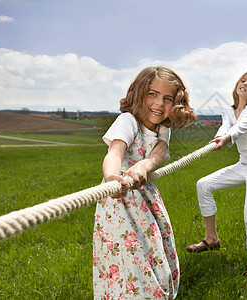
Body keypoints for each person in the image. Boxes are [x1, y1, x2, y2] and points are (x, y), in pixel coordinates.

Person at [93, 66, 196, 299]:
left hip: (146, 198)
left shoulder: (162, 128)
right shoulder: (127, 121)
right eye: (152, 94)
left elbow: (160, 153)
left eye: (167, 98)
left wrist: (144, 166)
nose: (159, 104)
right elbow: (115, 152)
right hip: (119, 202)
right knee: (129, 259)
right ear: (138, 93)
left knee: (156, 252)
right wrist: (111, 177)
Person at [186, 70, 247, 288]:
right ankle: (211, 240)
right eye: (243, 80)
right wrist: (220, 136)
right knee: (203, 185)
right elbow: (226, 126)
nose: (245, 84)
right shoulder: (229, 110)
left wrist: (226, 138)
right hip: (243, 165)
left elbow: (238, 129)